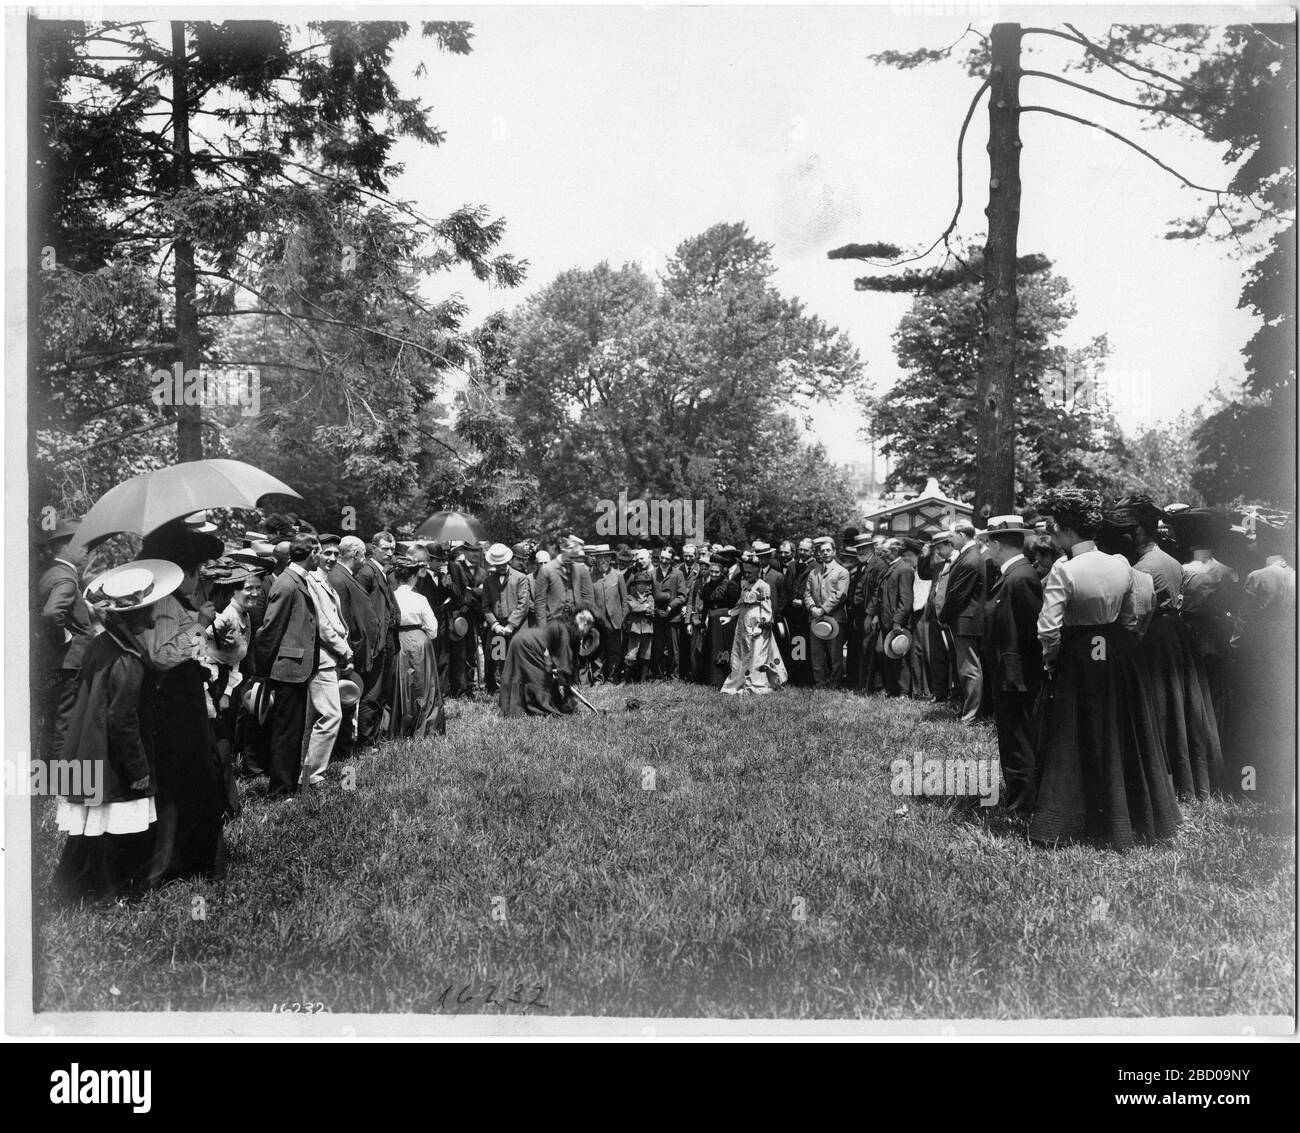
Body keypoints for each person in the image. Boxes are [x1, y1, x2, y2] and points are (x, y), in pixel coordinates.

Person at [1029, 488, 1180, 850]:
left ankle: (1071, 818)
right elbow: (1132, 613)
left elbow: (1048, 627)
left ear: (1067, 530)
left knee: (1074, 733)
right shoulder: (1120, 563)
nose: (1052, 535)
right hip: (1117, 652)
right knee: (1121, 730)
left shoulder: (1064, 569)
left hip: (1080, 655)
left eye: (1055, 528)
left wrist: (1052, 661)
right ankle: (1132, 814)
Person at [53, 560, 182, 903]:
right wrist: (139, 770)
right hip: (108, 757)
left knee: (91, 828)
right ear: (132, 616)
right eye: (148, 610)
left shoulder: (102, 644)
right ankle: (107, 896)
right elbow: (122, 721)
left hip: (85, 750)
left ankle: (74, 888)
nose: (153, 617)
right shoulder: (127, 660)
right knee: (110, 829)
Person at [135, 520, 227, 883]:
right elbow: (163, 655)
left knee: (195, 780)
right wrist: (199, 625)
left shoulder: (174, 602)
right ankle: (180, 863)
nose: (200, 576)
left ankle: (194, 860)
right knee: (186, 781)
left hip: (183, 700)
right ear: (181, 572)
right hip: (172, 706)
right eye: (197, 570)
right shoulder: (163, 604)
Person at [1227, 522, 1295, 807]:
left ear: (1266, 544)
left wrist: (1235, 651)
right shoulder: (1293, 574)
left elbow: (1242, 625)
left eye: (1254, 539)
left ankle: (1257, 782)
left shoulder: (1258, 576)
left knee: (1258, 717)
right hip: (1289, 649)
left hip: (1262, 653)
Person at [253, 532, 321, 798]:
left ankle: (288, 784)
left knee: (292, 731)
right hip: (287, 670)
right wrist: (262, 670)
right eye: (318, 551)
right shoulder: (288, 583)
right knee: (285, 732)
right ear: (311, 553)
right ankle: (280, 790)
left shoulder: (295, 580)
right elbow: (270, 629)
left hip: (296, 668)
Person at [983, 517, 1044, 810]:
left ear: (996, 545)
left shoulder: (1020, 577)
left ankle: (1023, 804)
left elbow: (1032, 634)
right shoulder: (1014, 575)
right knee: (1012, 739)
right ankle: (1020, 797)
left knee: (1018, 740)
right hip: (1009, 674)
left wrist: (1017, 675)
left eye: (989, 545)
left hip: (1017, 677)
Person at [37, 518, 96, 765]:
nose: (86, 551)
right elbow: (52, 613)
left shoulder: (51, 573)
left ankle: (48, 783)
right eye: (80, 545)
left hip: (56, 663)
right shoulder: (67, 579)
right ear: (64, 547)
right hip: (69, 664)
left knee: (52, 723)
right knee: (66, 725)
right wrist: (66, 638)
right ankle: (58, 787)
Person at [329, 536, 382, 762]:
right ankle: (343, 753)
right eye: (363, 556)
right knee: (347, 701)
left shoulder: (345, 576)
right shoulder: (339, 579)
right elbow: (342, 621)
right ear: (355, 555)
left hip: (359, 651)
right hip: (351, 654)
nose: (364, 561)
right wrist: (347, 654)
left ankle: (347, 748)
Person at [389, 556, 446, 737]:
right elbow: (433, 629)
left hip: (398, 640)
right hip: (419, 641)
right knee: (423, 683)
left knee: (401, 681)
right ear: (413, 577)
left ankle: (400, 723)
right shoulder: (419, 599)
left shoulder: (391, 597)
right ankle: (426, 725)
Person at [938, 522, 985, 725]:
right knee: (966, 668)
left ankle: (971, 714)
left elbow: (958, 595)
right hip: (964, 621)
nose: (949, 540)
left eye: (952, 536)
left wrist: (943, 616)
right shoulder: (969, 555)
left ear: (962, 534)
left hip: (965, 621)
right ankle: (969, 710)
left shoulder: (971, 558)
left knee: (969, 669)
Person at [720, 550, 787, 695]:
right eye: (745, 572)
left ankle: (756, 684)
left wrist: (761, 626)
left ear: (757, 571)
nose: (747, 575)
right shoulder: (744, 584)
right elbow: (740, 603)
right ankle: (741, 681)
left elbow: (767, 608)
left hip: (758, 624)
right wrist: (730, 616)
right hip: (743, 622)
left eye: (750, 572)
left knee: (757, 654)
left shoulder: (763, 586)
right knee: (742, 652)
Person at [354, 532, 398, 747]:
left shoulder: (383, 571)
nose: (390, 553)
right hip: (375, 642)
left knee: (382, 691)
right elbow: (362, 610)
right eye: (385, 549)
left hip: (387, 640)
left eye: (392, 549)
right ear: (373, 548)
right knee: (372, 692)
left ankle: (376, 736)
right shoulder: (366, 572)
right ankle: (366, 742)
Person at [482, 542, 533, 693]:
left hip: (517, 627)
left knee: (518, 657)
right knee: (498, 659)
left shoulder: (520, 578)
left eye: (503, 563)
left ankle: (520, 690)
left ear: (509, 561)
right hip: (497, 628)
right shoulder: (488, 581)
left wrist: (511, 625)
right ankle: (501, 691)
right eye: (497, 565)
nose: (501, 567)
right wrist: (495, 624)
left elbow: (523, 604)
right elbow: (485, 606)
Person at [866, 538, 914, 698]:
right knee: (883, 651)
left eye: (886, 552)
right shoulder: (888, 568)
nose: (883, 555)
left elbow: (906, 601)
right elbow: (877, 595)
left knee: (900, 656)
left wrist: (897, 622)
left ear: (895, 551)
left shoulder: (904, 569)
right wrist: (870, 614)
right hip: (884, 621)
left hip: (897, 623)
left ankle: (904, 693)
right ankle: (892, 689)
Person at [499, 619, 577, 718]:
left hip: (518, 639)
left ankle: (513, 707)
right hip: (527, 643)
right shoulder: (565, 637)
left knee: (517, 674)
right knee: (537, 679)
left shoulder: (554, 632)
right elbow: (559, 667)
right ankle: (539, 709)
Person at [804, 536, 849, 688]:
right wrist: (812, 608)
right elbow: (807, 594)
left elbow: (840, 595)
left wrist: (823, 609)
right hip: (815, 618)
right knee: (816, 653)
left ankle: (835, 683)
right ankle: (820, 683)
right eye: (822, 551)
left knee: (835, 654)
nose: (825, 553)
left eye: (828, 550)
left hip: (834, 618)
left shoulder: (842, 572)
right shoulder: (813, 573)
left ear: (834, 551)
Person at [590, 546, 628, 684]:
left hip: (615, 621)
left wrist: (623, 618)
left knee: (615, 651)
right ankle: (598, 679)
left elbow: (624, 600)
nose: (603, 560)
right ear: (596, 559)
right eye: (600, 557)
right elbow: (589, 600)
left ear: (610, 558)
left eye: (606, 557)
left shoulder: (618, 575)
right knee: (598, 652)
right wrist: (595, 616)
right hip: (598, 621)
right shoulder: (591, 576)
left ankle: (613, 678)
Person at [650, 546, 687, 679]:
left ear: (672, 560)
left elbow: (682, 596)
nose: (664, 560)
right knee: (658, 647)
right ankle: (658, 675)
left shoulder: (678, 574)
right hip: (658, 616)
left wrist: (670, 607)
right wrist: (655, 609)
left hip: (673, 617)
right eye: (662, 557)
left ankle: (674, 676)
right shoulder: (652, 573)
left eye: (667, 558)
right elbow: (649, 594)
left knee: (673, 649)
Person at [623, 569, 656, 683]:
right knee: (631, 655)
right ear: (635, 585)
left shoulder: (650, 597)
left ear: (647, 585)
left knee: (646, 654)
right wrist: (644, 607)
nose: (642, 586)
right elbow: (634, 608)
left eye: (644, 584)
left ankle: (643, 680)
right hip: (635, 629)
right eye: (639, 583)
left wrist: (643, 608)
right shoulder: (630, 596)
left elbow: (652, 611)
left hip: (647, 629)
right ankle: (626, 680)